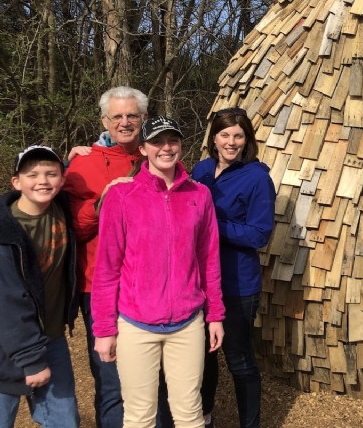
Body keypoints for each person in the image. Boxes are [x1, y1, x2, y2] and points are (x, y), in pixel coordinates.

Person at [92, 116, 225, 427]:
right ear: (143, 148)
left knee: (190, 414)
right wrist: (104, 329)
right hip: (136, 324)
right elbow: (107, 269)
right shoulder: (121, 196)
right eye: (157, 142)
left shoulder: (199, 195)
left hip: (187, 323)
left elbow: (209, 259)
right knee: (139, 416)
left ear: (181, 145)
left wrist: (215, 314)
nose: (166, 148)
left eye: (173, 141)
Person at [63, 85, 148, 427]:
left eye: (132, 115)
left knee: (148, 376)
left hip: (146, 285)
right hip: (99, 283)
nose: (125, 122)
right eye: (118, 116)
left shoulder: (158, 156)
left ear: (143, 119)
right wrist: (102, 205)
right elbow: (74, 232)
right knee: (110, 377)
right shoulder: (82, 164)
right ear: (104, 120)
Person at [192, 108, 275, 428]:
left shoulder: (256, 178)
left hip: (237, 284)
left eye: (238, 135)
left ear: (247, 140)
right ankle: (205, 417)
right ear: (214, 137)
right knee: (202, 358)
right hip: (198, 283)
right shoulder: (200, 170)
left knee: (239, 361)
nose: (231, 141)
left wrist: (213, 224)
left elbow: (259, 234)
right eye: (225, 134)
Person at [0, 146, 79, 427]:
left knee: (64, 420)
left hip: (50, 337)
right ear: (16, 182)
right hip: (8, 345)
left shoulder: (61, 208)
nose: (43, 181)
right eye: (32, 175)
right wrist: (30, 360)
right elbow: (7, 302)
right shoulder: (5, 231)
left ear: (62, 178)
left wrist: (102, 143)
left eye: (51, 174)